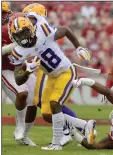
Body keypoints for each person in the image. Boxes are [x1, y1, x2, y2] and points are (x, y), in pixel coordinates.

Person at [8, 11, 95, 150]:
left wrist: (78, 47)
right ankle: (84, 125)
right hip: (52, 77)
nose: (23, 39)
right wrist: (27, 72)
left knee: (55, 105)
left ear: (31, 29)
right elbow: (18, 80)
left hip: (66, 71)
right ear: (13, 37)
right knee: (48, 114)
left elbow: (65, 30)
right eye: (18, 36)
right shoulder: (18, 51)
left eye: (24, 33)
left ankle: (56, 144)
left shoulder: (43, 30)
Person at [2, 2, 36, 146]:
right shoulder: (4, 31)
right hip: (4, 69)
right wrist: (13, 45)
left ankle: (24, 135)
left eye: (3, 13)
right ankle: (20, 126)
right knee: (22, 93)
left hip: (17, 67)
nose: (2, 16)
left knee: (34, 99)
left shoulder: (19, 25)